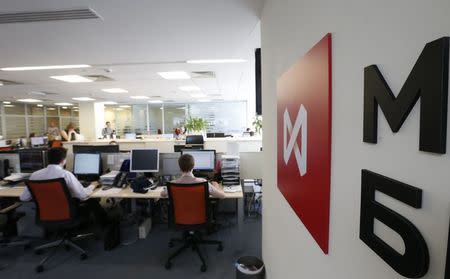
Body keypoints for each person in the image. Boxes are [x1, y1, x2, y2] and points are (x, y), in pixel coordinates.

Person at [20, 147, 108, 225]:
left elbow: (24, 198)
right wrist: (93, 185)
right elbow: (83, 195)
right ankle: (106, 225)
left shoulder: (35, 175)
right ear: (63, 160)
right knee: (93, 201)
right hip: (67, 214)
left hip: (45, 214)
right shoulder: (66, 174)